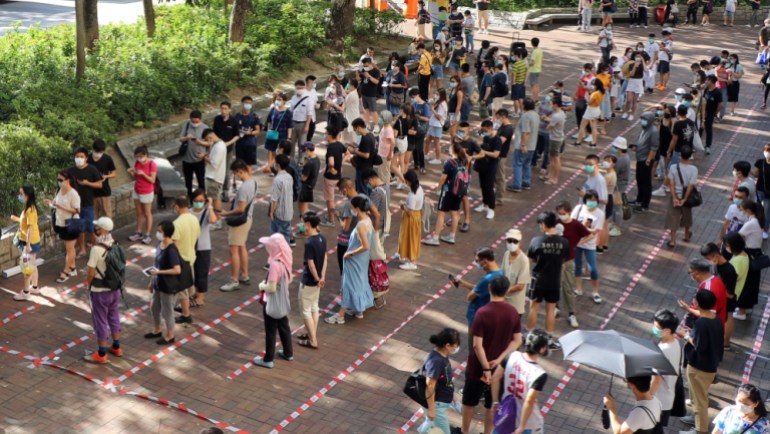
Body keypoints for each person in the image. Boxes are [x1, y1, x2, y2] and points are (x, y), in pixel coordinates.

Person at [461, 275, 523, 434]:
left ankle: (465, 431)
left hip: (477, 368)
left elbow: (477, 345)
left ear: (489, 289)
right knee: (492, 404)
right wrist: (500, 359)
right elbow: (517, 341)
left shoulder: (482, 313)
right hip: (500, 369)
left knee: (469, 401)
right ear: (507, 291)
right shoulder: (513, 312)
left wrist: (485, 368)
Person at [678, 290, 724, 433]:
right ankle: (696, 418)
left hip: (699, 367)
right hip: (710, 364)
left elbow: (699, 345)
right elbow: (703, 316)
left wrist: (685, 335)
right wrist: (687, 309)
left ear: (698, 303)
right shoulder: (715, 318)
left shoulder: (701, 324)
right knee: (697, 396)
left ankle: (700, 429)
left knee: (699, 400)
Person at [325, 195, 375, 323]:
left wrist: (350, 253)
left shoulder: (360, 226)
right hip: (362, 259)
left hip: (355, 259)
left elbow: (365, 245)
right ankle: (358, 310)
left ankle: (340, 315)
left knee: (349, 284)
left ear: (357, 208)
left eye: (352, 207)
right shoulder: (368, 220)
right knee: (360, 281)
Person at [491, 329, 550, 434]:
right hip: (528, 423)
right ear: (541, 349)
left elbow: (495, 378)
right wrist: (521, 427)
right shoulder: (539, 373)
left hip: (506, 413)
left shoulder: (511, 356)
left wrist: (495, 402)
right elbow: (529, 401)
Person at [83, 217, 123, 363]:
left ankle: (101, 354)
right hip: (115, 290)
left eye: (98, 227)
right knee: (114, 317)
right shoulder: (116, 244)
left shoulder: (96, 249)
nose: (95, 230)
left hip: (100, 292)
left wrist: (88, 284)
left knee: (100, 321)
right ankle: (117, 347)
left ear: (103, 230)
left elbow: (91, 272)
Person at [528, 211, 570, 346]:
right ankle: (549, 338)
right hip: (554, 280)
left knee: (533, 307)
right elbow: (564, 259)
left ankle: (529, 336)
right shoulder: (564, 242)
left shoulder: (536, 241)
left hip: (538, 280)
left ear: (544, 225)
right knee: (550, 310)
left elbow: (531, 258)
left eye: (540, 224)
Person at [253, 234, 294, 369]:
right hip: (282, 302)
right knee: (284, 326)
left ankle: (268, 359)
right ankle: (288, 353)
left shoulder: (275, 265)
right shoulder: (286, 260)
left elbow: (271, 287)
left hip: (271, 302)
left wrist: (261, 286)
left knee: (271, 331)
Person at [219, 160, 258, 292]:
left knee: (233, 250)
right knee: (242, 247)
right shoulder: (253, 182)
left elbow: (240, 209)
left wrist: (226, 213)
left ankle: (234, 280)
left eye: (236, 174)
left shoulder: (243, 187)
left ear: (240, 171)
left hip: (240, 221)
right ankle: (245, 275)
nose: (236, 176)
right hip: (249, 218)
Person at [145, 221, 183, 345]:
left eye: (160, 231)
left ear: (167, 233)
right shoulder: (160, 244)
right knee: (154, 307)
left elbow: (177, 270)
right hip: (158, 283)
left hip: (168, 286)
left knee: (167, 311)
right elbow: (156, 264)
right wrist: (152, 281)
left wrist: (159, 273)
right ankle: (157, 330)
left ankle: (170, 336)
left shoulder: (171, 250)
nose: (157, 233)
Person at [423, 142, 468, 246]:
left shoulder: (449, 163)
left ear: (453, 150)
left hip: (447, 191)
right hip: (459, 191)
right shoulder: (463, 161)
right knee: (455, 213)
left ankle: (435, 238)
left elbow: (443, 178)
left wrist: (438, 189)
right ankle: (452, 236)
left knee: (441, 213)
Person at [555, 201, 591, 328]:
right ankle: (556, 306)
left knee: (568, 287)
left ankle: (571, 313)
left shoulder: (576, 225)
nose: (561, 216)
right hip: (556, 259)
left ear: (569, 212)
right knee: (555, 285)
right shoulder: (556, 223)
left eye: (563, 214)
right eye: (559, 214)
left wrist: (578, 244)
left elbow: (589, 234)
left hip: (569, 260)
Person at [422, 328, 461, 434]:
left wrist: (452, 395)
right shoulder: (436, 362)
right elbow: (430, 386)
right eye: (455, 345)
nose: (457, 348)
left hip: (440, 403)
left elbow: (444, 379)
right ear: (447, 345)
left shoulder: (442, 355)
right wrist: (431, 410)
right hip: (437, 406)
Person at [297, 212, 326, 350]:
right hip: (318, 281)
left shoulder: (309, 242)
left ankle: (313, 340)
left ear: (308, 224)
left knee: (306, 310)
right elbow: (325, 258)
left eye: (303, 223)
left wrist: (315, 277)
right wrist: (322, 277)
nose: (302, 225)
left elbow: (310, 263)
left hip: (309, 280)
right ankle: (311, 333)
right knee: (314, 307)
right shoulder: (322, 238)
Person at [169, 196, 200, 325]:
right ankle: (186, 307)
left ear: (177, 207)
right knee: (188, 286)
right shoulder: (194, 218)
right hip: (191, 256)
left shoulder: (177, 223)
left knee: (182, 290)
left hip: (181, 260)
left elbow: (174, 245)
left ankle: (186, 314)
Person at [700, 242, 738, 346]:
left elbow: (730, 294)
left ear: (716, 255)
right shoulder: (715, 265)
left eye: (708, 258)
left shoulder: (730, 271)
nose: (708, 261)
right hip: (716, 299)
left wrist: (716, 289)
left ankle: (726, 342)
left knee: (728, 318)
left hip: (727, 301)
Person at [69, 147, 104, 258]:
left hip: (88, 204)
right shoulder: (70, 171)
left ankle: (95, 248)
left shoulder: (92, 169)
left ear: (86, 158)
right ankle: (82, 249)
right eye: (77, 157)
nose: (79, 159)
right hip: (74, 206)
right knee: (80, 229)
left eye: (81, 157)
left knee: (90, 228)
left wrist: (87, 183)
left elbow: (99, 184)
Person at [572, 190, 605, 303]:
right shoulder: (578, 209)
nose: (592, 202)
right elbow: (572, 224)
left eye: (594, 200)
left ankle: (595, 291)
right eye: (590, 200)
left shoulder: (599, 214)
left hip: (589, 245)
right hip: (577, 243)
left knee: (593, 269)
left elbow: (595, 232)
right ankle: (578, 288)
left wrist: (581, 239)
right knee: (577, 266)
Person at [47, 171, 80, 284]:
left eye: (61, 180)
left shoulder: (73, 194)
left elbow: (77, 210)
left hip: (71, 223)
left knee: (69, 249)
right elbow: (55, 204)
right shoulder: (59, 191)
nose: (59, 182)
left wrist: (62, 207)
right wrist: (50, 203)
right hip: (61, 223)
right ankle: (73, 268)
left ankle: (66, 272)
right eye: (58, 180)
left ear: (68, 180)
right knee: (70, 248)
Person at [650, 309, 681, 427]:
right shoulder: (675, 343)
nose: (654, 328)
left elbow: (657, 379)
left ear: (667, 330)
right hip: (667, 397)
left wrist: (647, 398)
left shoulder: (663, 351)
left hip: (657, 400)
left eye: (657, 327)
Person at [189, 189, 218, 307]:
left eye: (201, 200)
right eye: (196, 200)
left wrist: (210, 206)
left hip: (204, 247)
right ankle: (195, 293)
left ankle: (200, 297)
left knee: (202, 272)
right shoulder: (188, 212)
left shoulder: (207, 212)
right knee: (192, 273)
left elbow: (213, 220)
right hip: (190, 247)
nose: (198, 203)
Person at [11, 185, 40, 301]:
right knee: (32, 265)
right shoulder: (29, 207)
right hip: (31, 242)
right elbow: (26, 223)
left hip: (29, 243)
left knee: (26, 267)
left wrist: (27, 246)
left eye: (21, 194)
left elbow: (30, 228)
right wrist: (17, 219)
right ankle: (35, 287)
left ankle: (26, 292)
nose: (19, 196)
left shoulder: (30, 210)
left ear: (27, 195)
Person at [666, 145, 697, 248]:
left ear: (680, 155)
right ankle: (686, 235)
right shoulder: (693, 169)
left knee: (673, 217)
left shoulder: (674, 167)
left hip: (676, 195)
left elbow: (671, 183)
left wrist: (674, 197)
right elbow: (690, 186)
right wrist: (684, 198)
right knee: (687, 217)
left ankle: (673, 240)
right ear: (690, 156)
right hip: (686, 197)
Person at [508, 98, 539, 193]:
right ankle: (526, 182)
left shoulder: (526, 116)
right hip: (532, 145)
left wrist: (523, 145)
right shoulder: (536, 115)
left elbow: (526, 132)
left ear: (524, 106)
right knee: (527, 164)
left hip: (523, 145)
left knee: (517, 164)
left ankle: (517, 185)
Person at [127, 146, 157, 245]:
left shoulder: (152, 164)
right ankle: (138, 232)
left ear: (145, 154)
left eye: (140, 156)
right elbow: (136, 176)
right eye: (137, 157)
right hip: (137, 190)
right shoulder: (138, 163)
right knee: (139, 213)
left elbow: (152, 180)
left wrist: (143, 174)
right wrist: (133, 172)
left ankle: (147, 234)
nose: (138, 158)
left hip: (147, 191)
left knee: (147, 213)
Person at [473, 119, 502, 220]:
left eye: (484, 130)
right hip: (483, 165)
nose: (483, 132)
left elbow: (496, 154)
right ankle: (484, 204)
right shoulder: (486, 138)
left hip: (491, 166)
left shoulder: (497, 140)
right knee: (483, 186)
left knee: (489, 187)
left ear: (490, 128)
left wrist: (483, 152)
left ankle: (491, 208)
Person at [632, 112, 659, 213]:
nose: (642, 121)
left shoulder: (654, 131)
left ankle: (645, 204)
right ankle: (639, 199)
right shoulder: (645, 128)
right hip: (640, 158)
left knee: (646, 182)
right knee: (639, 180)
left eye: (645, 119)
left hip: (645, 160)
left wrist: (648, 160)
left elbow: (654, 147)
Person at [212, 101, 240, 197]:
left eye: (225, 109)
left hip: (228, 149)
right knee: (216, 168)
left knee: (226, 170)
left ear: (229, 110)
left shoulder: (234, 121)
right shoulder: (217, 119)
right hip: (217, 148)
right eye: (222, 108)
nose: (223, 111)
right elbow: (213, 133)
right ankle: (216, 189)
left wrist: (228, 143)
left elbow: (237, 136)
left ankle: (225, 190)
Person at [178, 111, 208, 198]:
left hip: (199, 159)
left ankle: (202, 197)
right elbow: (180, 139)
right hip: (187, 159)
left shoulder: (205, 128)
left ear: (200, 120)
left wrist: (200, 142)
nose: (194, 123)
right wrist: (186, 138)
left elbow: (210, 143)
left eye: (197, 122)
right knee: (188, 181)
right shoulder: (187, 125)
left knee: (201, 181)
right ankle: (190, 198)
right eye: (193, 121)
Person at [398, 170, 423, 271]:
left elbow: (410, 212)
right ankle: (409, 257)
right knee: (412, 238)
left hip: (411, 218)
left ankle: (412, 262)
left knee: (410, 239)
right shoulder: (419, 188)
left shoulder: (413, 195)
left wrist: (403, 205)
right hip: (416, 216)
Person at [321, 126, 346, 227]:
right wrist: (341, 164)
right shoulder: (339, 145)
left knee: (330, 199)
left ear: (330, 135)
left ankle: (331, 220)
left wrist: (332, 168)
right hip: (338, 176)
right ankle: (330, 215)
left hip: (330, 178)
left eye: (326, 133)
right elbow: (348, 153)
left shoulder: (330, 148)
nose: (325, 135)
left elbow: (331, 162)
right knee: (332, 198)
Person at [200, 129, 227, 218]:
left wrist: (204, 157)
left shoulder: (219, 147)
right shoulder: (218, 144)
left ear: (210, 136)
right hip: (215, 176)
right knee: (216, 197)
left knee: (215, 199)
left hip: (214, 177)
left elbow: (214, 163)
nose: (208, 142)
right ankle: (216, 218)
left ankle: (216, 219)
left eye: (207, 139)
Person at [263, 92, 293, 170]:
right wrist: (269, 130)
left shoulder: (288, 113)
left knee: (279, 152)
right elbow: (269, 120)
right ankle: (269, 166)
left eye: (280, 100)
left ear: (284, 101)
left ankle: (275, 167)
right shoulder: (273, 110)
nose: (278, 101)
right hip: (272, 134)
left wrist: (289, 138)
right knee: (270, 150)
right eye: (277, 99)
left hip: (282, 135)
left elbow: (290, 126)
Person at [88, 139, 116, 221]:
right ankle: (96, 232)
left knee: (107, 215)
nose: (98, 154)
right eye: (97, 151)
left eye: (101, 152)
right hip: (92, 193)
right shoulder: (88, 159)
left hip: (104, 192)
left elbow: (114, 174)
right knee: (93, 216)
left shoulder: (107, 159)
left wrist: (106, 176)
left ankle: (106, 232)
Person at [348, 118, 376, 194]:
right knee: (367, 188)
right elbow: (366, 149)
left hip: (363, 167)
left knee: (362, 190)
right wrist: (356, 146)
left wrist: (354, 151)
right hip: (369, 166)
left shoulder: (366, 138)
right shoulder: (370, 136)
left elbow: (366, 155)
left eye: (355, 129)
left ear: (359, 127)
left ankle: (364, 204)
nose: (355, 132)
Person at [234, 97, 261, 173]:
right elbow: (234, 129)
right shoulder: (237, 116)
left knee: (249, 164)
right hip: (240, 143)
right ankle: (243, 180)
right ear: (242, 104)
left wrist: (251, 133)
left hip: (250, 143)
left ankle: (249, 180)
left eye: (249, 103)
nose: (248, 104)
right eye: (246, 103)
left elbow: (258, 130)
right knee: (240, 164)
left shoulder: (254, 116)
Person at [495, 109, 514, 204]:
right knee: (496, 176)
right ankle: (497, 194)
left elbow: (500, 141)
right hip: (498, 155)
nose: (497, 120)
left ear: (503, 117)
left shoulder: (508, 129)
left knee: (500, 177)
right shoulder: (503, 126)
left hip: (501, 155)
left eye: (498, 118)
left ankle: (499, 198)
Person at [752, 143, 770, 238]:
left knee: (767, 212)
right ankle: (756, 227)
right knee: (758, 209)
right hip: (760, 189)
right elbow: (755, 173)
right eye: (766, 151)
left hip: (769, 193)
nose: (767, 153)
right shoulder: (760, 162)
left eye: (769, 151)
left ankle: (765, 230)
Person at [358, 58, 381, 131]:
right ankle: (367, 123)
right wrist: (357, 73)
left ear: (369, 63)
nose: (364, 65)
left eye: (365, 64)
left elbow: (376, 82)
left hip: (371, 94)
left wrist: (368, 76)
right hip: (363, 93)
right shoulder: (364, 70)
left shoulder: (375, 71)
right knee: (365, 110)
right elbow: (359, 79)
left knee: (373, 111)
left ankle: (376, 125)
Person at [426, 89, 448, 165]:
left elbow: (439, 117)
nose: (436, 95)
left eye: (437, 94)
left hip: (437, 125)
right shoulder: (439, 102)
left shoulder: (442, 104)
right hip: (433, 124)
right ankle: (426, 155)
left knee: (436, 142)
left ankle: (438, 158)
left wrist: (432, 109)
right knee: (427, 140)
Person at [298, 142, 320, 219]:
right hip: (311, 185)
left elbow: (304, 178)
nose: (304, 152)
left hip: (305, 186)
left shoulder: (309, 163)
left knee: (303, 208)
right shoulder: (317, 159)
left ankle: (304, 221)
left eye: (304, 151)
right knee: (305, 204)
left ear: (307, 150)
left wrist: (299, 173)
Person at [701, 76, 722, 155]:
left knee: (708, 129)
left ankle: (708, 146)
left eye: (707, 80)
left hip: (710, 113)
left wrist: (715, 113)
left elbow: (720, 105)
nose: (706, 81)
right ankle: (698, 144)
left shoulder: (717, 92)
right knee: (700, 128)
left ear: (711, 82)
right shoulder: (706, 90)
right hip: (703, 112)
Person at [376, 110, 395, 188]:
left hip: (385, 155)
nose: (380, 118)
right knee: (381, 173)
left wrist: (390, 154)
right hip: (382, 153)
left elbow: (392, 143)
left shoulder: (388, 130)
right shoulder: (384, 127)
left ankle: (385, 191)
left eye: (381, 117)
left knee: (384, 175)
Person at [343, 79, 361, 143]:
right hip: (353, 114)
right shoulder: (354, 93)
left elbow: (344, 105)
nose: (348, 86)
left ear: (353, 86)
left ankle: (354, 144)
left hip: (351, 115)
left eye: (349, 84)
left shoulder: (351, 95)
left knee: (352, 131)